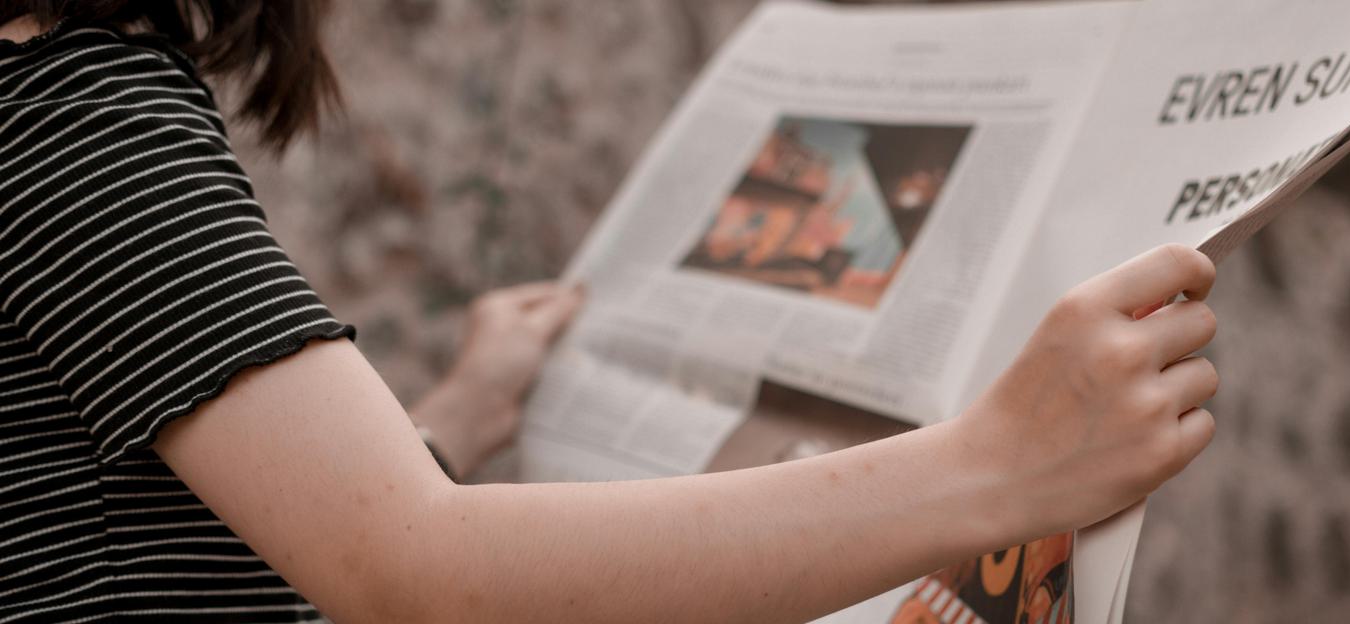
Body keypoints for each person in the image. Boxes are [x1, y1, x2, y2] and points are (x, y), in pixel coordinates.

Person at [0, 3, 1221, 622]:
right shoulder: (65, 104)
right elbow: (409, 573)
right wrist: (997, 470)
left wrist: (448, 426)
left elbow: (105, 537)